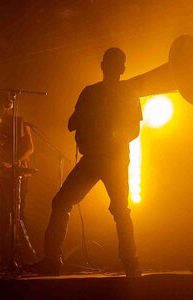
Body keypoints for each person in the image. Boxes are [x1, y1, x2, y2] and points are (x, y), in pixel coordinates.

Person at [27, 47, 143, 277]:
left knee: (63, 203)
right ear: (123, 68)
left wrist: (96, 126)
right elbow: (133, 131)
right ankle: (131, 264)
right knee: (119, 210)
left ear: (102, 65)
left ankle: (52, 261)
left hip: (100, 159)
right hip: (112, 159)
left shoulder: (90, 92)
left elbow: (72, 124)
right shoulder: (127, 93)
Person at [0, 91, 35, 268]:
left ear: (7, 105)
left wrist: (14, 161)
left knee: (18, 217)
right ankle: (7, 259)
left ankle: (27, 257)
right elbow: (0, 151)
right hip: (3, 177)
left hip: (18, 176)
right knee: (3, 218)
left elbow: (29, 148)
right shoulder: (0, 126)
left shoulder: (19, 122)